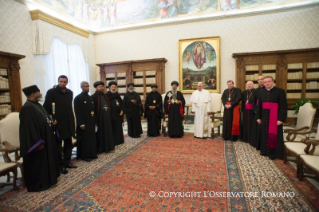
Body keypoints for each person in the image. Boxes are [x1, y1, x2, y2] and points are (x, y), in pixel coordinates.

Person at [20, 85, 60, 192]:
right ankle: (39, 184)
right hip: (38, 142)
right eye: (39, 92)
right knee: (39, 164)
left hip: (45, 138)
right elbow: (29, 129)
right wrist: (38, 142)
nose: (41, 94)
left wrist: (51, 123)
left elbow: (44, 119)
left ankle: (49, 180)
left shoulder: (38, 105)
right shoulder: (27, 108)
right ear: (33, 94)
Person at [43, 75, 77, 174]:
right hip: (57, 123)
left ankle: (67, 162)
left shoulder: (69, 92)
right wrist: (51, 119)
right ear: (58, 81)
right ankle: (60, 165)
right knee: (58, 146)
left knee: (68, 144)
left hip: (68, 122)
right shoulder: (51, 92)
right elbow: (46, 108)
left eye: (64, 82)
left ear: (67, 82)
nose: (62, 83)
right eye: (61, 81)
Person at [256, 76, 287, 160]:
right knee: (264, 134)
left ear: (273, 81)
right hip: (264, 116)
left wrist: (281, 119)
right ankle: (265, 151)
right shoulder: (261, 92)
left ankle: (275, 153)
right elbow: (258, 106)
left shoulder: (280, 91)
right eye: (265, 82)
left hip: (275, 117)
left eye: (269, 81)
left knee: (275, 135)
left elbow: (283, 107)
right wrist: (258, 117)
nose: (267, 83)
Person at [74, 81, 97, 162]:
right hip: (83, 123)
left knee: (91, 138)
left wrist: (95, 121)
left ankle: (92, 154)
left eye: (88, 86)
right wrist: (81, 123)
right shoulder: (78, 98)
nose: (87, 88)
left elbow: (93, 110)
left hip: (91, 122)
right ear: (81, 87)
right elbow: (77, 112)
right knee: (85, 140)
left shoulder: (90, 97)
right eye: (86, 86)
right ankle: (84, 156)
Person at [91, 81, 115, 153]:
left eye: (102, 86)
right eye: (99, 87)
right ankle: (101, 148)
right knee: (101, 133)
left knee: (108, 132)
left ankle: (109, 146)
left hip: (107, 118)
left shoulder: (105, 96)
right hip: (100, 119)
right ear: (96, 88)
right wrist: (95, 120)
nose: (101, 88)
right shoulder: (93, 97)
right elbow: (93, 109)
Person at [106, 81, 125, 145]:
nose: (114, 88)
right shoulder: (107, 95)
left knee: (119, 127)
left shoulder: (117, 95)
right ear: (109, 87)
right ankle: (114, 141)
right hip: (112, 115)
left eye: (115, 87)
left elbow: (122, 103)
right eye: (112, 87)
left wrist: (122, 110)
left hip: (119, 114)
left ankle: (120, 140)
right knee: (113, 128)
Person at [251, 75, 265, 149]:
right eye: (258, 80)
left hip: (265, 112)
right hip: (257, 111)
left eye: (261, 79)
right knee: (256, 128)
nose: (260, 81)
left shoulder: (267, 89)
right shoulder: (255, 91)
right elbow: (253, 102)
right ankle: (256, 143)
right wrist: (255, 111)